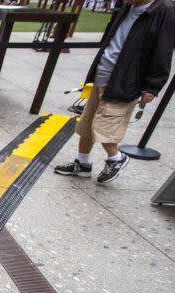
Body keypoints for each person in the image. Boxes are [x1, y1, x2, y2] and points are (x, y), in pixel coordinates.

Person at [54, 0, 174, 184]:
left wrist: (152, 86)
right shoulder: (128, 8)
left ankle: (116, 158)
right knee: (86, 124)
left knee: (105, 127)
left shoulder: (163, 11)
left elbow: (163, 52)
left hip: (125, 80)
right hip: (104, 73)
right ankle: (83, 163)